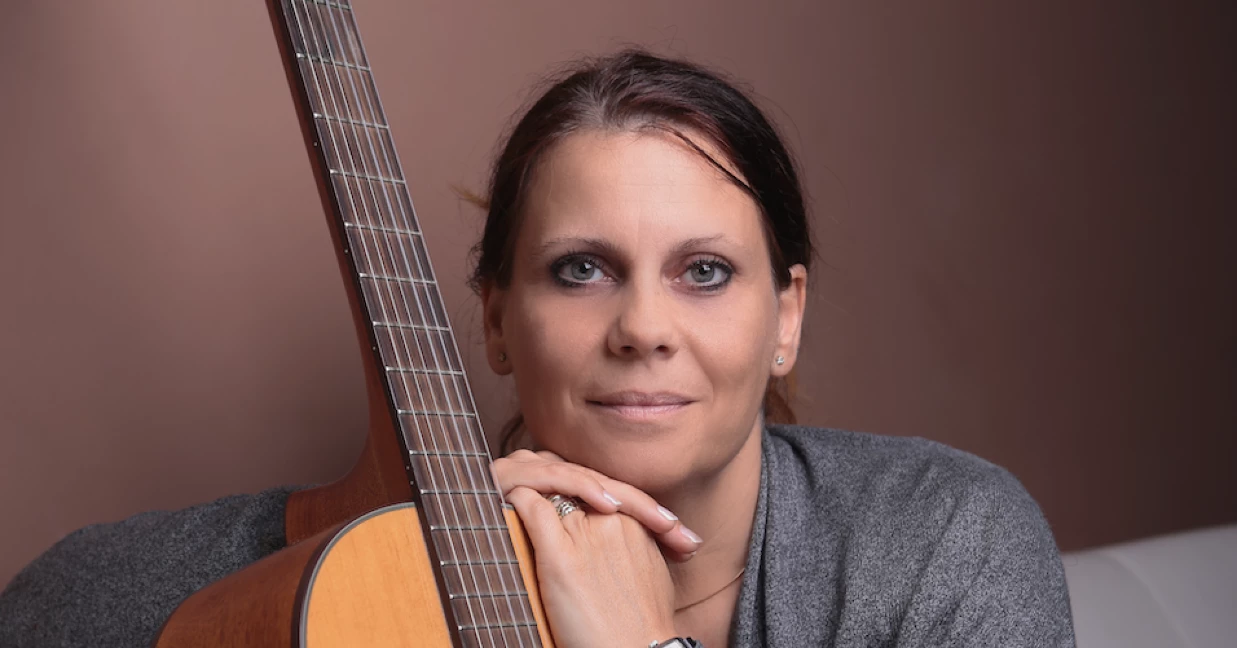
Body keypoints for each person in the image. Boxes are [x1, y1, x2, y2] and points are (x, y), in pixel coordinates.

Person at [0, 49, 1076, 647]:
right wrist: (369, 539)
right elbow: (47, 608)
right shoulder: (351, 574)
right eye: (581, 269)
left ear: (785, 316)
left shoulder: (938, 542)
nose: (643, 328)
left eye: (705, 272)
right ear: (495, 321)